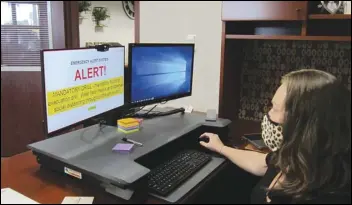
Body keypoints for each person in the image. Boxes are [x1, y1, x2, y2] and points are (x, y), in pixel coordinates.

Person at [200, 69, 351, 204]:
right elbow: (265, 163)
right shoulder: (299, 156)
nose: (269, 114)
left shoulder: (328, 193)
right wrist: (221, 148)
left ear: (303, 124)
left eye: (276, 108)